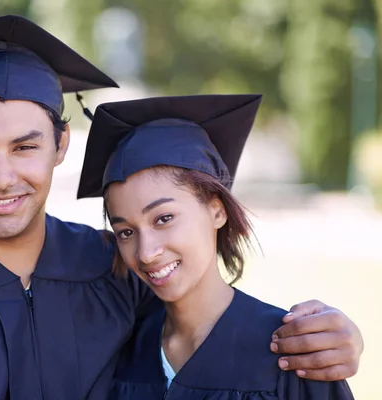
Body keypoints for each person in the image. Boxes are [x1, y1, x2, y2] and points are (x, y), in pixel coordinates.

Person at [0, 15, 362, 400]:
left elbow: (208, 330)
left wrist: (339, 338)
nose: (1, 178)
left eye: (25, 146)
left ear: (61, 146)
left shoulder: (113, 271)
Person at [76, 94, 355, 399]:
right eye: (126, 232)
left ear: (217, 210)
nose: (146, 252)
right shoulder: (125, 349)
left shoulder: (292, 352)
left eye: (164, 218)